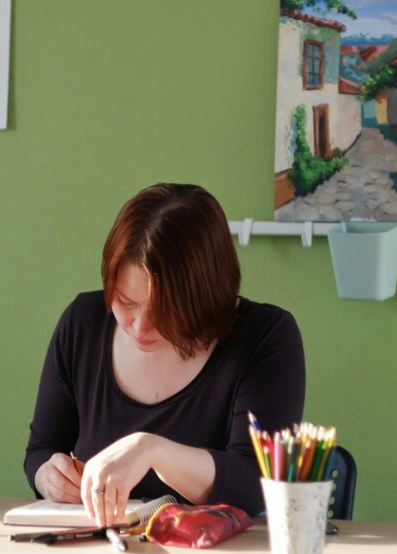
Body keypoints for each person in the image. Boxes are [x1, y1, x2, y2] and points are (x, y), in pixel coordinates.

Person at [24, 183, 305, 527]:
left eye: (164, 312)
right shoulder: (82, 323)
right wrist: (47, 476)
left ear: (206, 296)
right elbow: (40, 450)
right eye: (125, 303)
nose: (140, 327)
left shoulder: (265, 336)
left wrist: (152, 450)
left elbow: (256, 486)